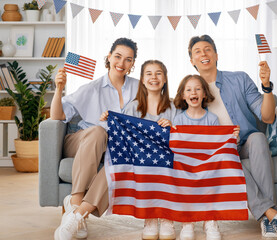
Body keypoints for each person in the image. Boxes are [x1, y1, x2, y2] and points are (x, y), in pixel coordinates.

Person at [187, 35, 277, 240]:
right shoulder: (191, 89)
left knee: (257, 137)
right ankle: (272, 215)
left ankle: (266, 217)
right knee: (226, 154)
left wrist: (266, 87)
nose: (203, 54)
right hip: (217, 150)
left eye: (208, 49)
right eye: (197, 51)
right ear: (192, 60)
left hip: (245, 142)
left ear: (216, 55)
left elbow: (268, 117)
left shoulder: (240, 79)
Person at [51, 37, 139, 240]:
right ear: (109, 57)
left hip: (113, 149)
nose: (121, 63)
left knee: (121, 157)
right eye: (117, 56)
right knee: (100, 132)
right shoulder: (92, 88)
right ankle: (75, 199)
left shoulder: (138, 87)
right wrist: (58, 89)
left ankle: (77, 215)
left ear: (133, 64)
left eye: (128, 59)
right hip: (81, 141)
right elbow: (58, 117)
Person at [100, 60, 178, 240]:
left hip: (168, 160)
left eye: (158, 73)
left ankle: (167, 215)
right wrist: (108, 120)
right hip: (142, 162)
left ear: (165, 79)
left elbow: (182, 139)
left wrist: (172, 128)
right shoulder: (132, 107)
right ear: (142, 79)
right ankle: (149, 216)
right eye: (149, 73)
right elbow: (123, 136)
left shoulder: (175, 108)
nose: (154, 77)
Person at [173, 74, 240, 240]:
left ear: (204, 94)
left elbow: (217, 145)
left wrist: (232, 137)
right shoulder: (179, 119)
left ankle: (210, 220)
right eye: (188, 90)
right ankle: (188, 221)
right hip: (186, 165)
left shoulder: (212, 119)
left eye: (197, 89)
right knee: (182, 175)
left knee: (213, 175)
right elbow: (177, 146)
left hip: (208, 164)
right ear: (183, 95)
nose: (193, 92)